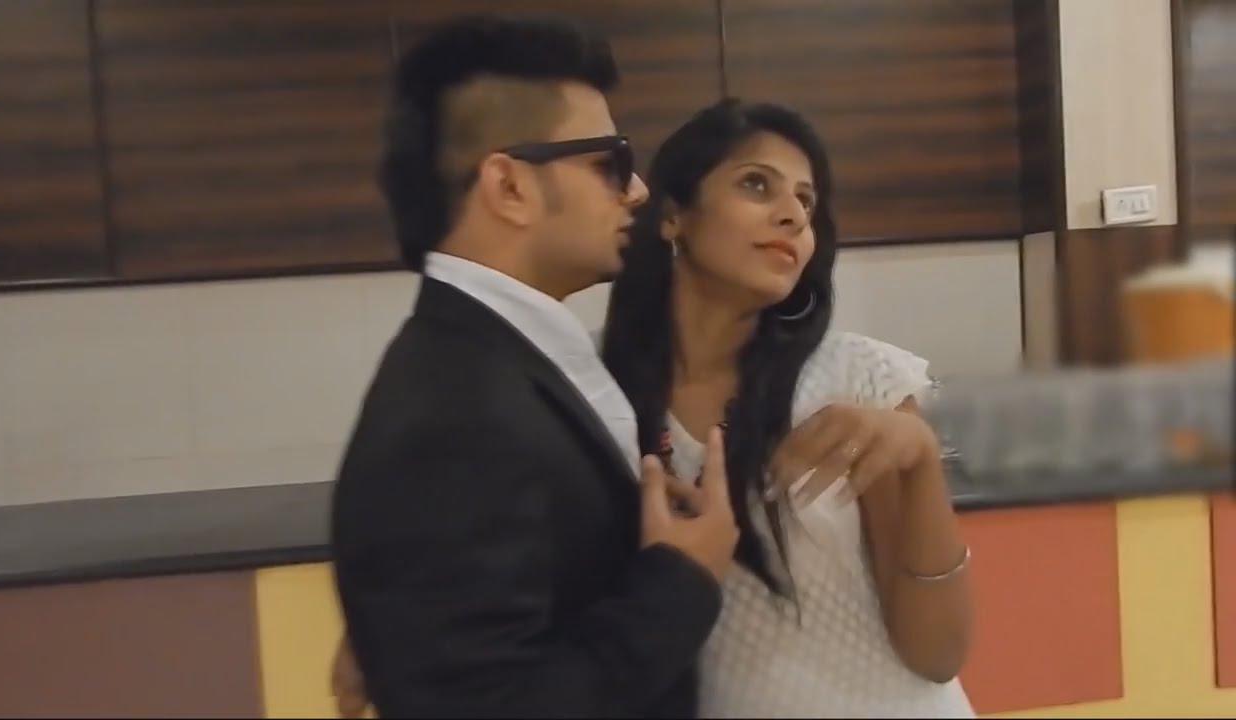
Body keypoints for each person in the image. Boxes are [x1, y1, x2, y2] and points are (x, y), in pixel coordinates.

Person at [330, 14, 739, 719]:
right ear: (510, 187)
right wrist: (680, 581)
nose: (636, 191)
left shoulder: (505, 361)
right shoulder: (455, 413)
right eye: (609, 163)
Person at [599, 98, 977, 718]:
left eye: (806, 201)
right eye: (756, 185)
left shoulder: (859, 380)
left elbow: (938, 655)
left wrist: (920, 460)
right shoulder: (596, 386)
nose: (793, 215)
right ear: (672, 214)